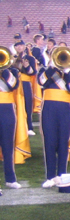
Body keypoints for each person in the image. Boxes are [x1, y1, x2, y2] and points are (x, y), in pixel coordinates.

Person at [38, 54, 70, 187]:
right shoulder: (45, 70)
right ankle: (50, 176)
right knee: (49, 141)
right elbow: (41, 82)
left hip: (64, 109)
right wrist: (52, 68)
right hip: (49, 108)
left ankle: (62, 173)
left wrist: (67, 71)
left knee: (64, 141)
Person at [0, 61, 29, 189]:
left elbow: (14, 85)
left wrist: (4, 70)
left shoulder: (11, 72)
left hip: (7, 110)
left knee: (7, 145)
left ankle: (10, 179)